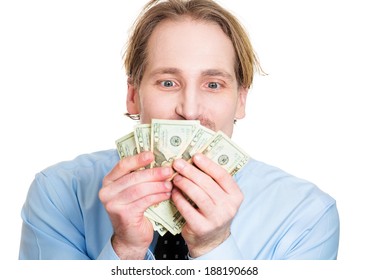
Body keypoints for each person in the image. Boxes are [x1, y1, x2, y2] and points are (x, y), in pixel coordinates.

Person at [19, 0, 339, 260]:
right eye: (168, 82)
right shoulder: (58, 193)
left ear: (240, 101)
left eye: (213, 84)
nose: (189, 111)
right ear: (133, 95)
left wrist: (214, 247)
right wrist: (126, 251)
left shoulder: (307, 216)